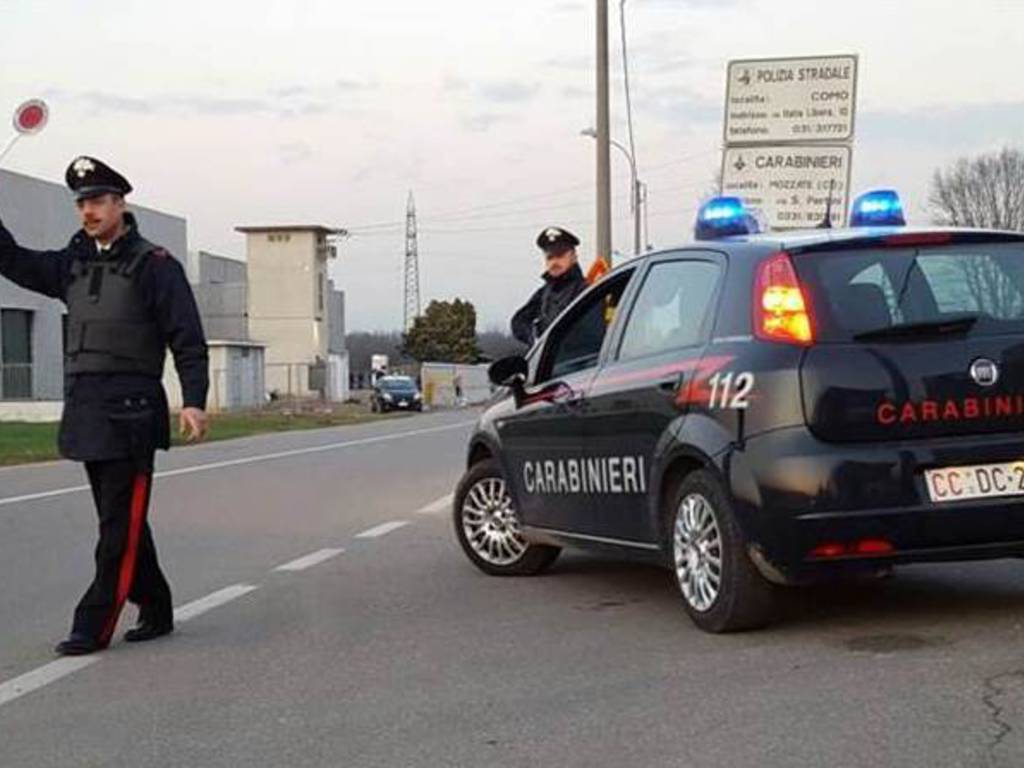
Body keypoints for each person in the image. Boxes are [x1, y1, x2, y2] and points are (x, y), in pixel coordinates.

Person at [0, 156, 210, 655]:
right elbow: (12, 259)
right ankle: (155, 605)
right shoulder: (72, 264)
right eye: (81, 203)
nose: (88, 211)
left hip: (133, 411)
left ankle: (91, 625)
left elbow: (188, 337)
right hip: (88, 410)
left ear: (120, 204)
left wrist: (194, 402)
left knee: (118, 522)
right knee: (120, 518)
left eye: (96, 201)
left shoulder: (155, 266)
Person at [511, 227, 588, 346]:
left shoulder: (585, 290)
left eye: (560, 255)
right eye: (550, 257)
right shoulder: (544, 293)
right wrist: (534, 337)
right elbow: (518, 321)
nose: (554, 262)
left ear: (574, 257)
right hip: (548, 361)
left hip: (575, 362)